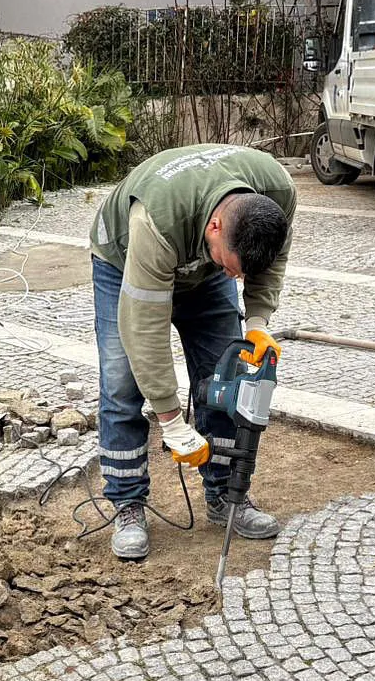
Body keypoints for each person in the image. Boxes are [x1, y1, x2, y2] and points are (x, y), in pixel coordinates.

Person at [88, 143, 295, 560]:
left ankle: (225, 498)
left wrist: (256, 322)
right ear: (216, 226)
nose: (234, 277)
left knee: (228, 375)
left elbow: (271, 260)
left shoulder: (276, 192)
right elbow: (144, 331)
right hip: (124, 259)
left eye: (237, 273)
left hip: (198, 263)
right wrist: (171, 420)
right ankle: (128, 504)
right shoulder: (157, 219)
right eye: (231, 266)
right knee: (123, 382)